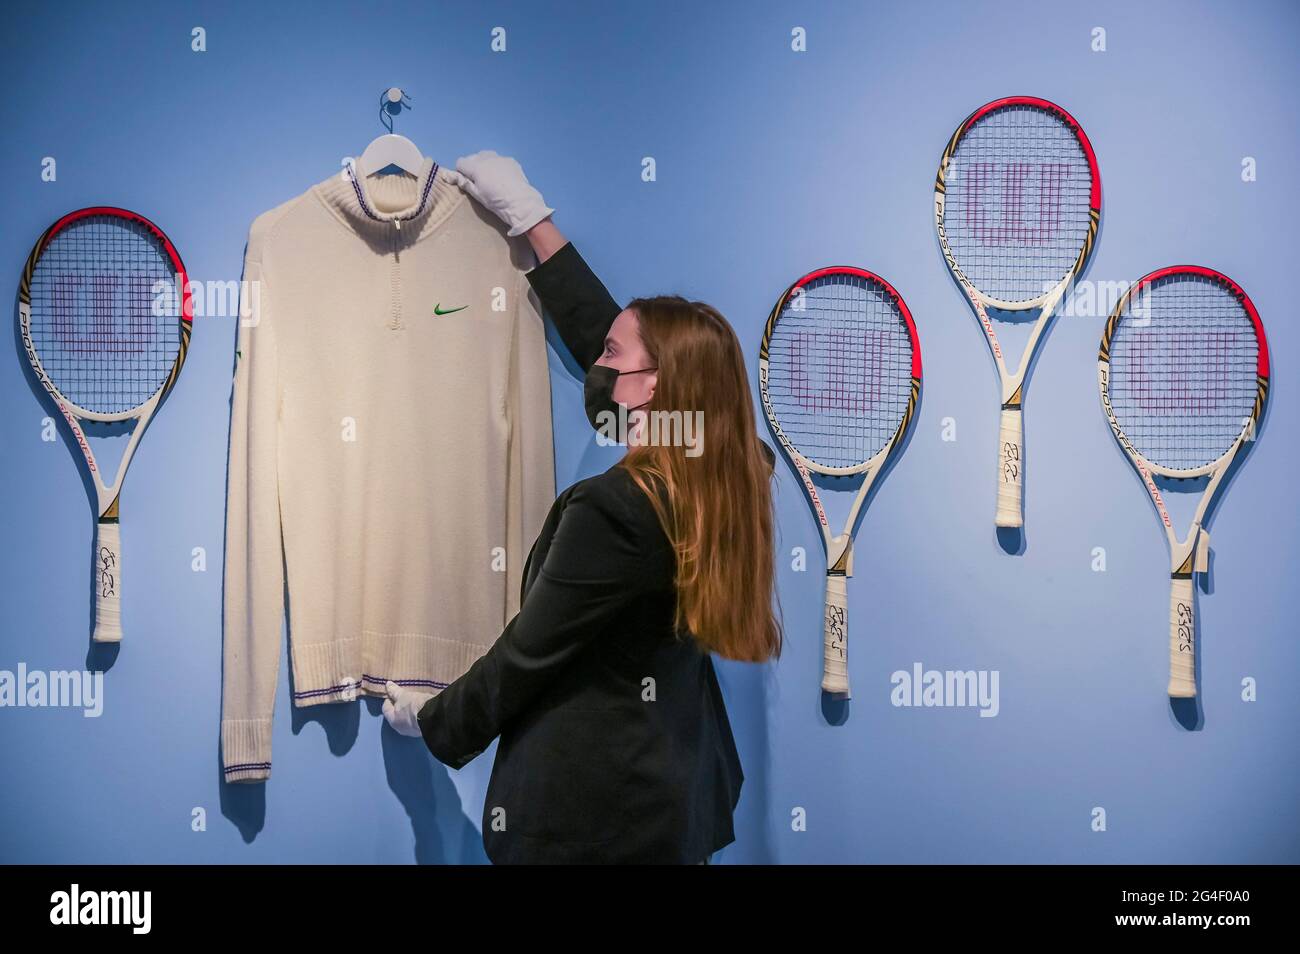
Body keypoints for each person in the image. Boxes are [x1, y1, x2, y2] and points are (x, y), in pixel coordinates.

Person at [383, 152, 781, 864]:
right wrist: (538, 227)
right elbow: (637, 384)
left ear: (654, 388)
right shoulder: (727, 464)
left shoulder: (617, 510)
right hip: (676, 795)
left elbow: (526, 656)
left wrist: (432, 721)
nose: (598, 367)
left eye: (611, 356)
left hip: (594, 821)